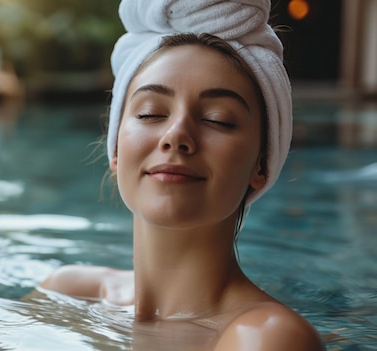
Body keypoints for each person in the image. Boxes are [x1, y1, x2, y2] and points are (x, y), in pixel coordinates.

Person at [40, 0, 325, 350]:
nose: (176, 135)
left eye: (218, 119)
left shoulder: (267, 337)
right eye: (150, 114)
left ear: (261, 165)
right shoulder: (67, 294)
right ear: (115, 150)